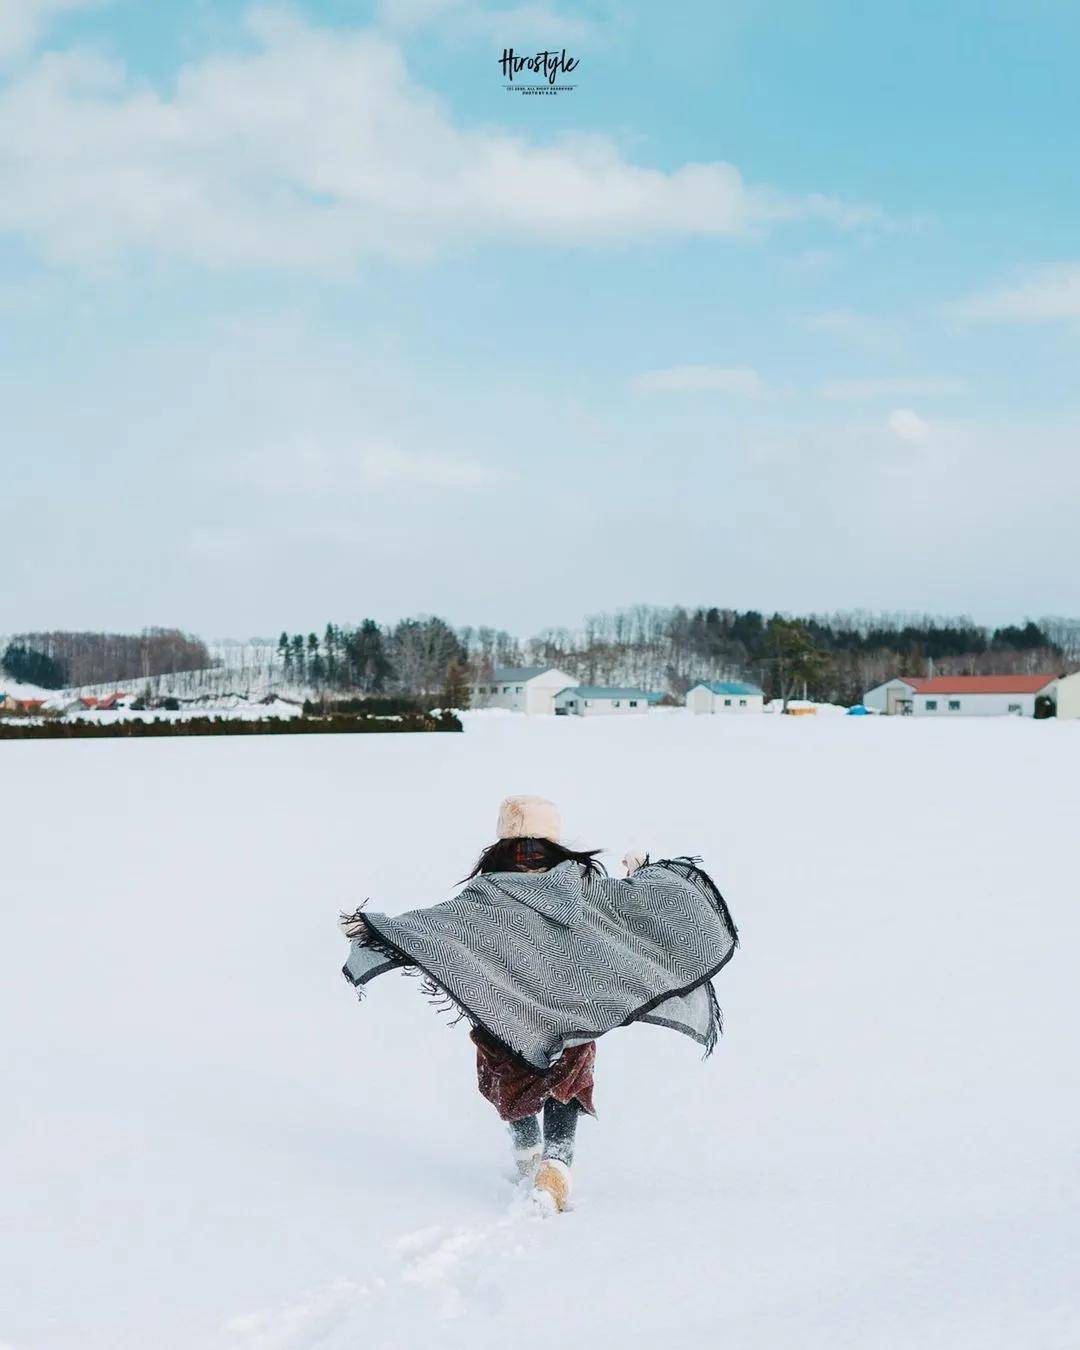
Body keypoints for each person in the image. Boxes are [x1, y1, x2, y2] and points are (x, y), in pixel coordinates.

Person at [340, 795, 738, 1214]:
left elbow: (434, 927)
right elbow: (633, 905)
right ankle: (549, 1161)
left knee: (517, 1081)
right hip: (560, 1013)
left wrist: (376, 930)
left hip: (513, 1015)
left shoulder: (494, 892)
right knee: (554, 1080)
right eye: (525, 850)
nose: (528, 858)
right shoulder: (570, 888)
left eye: (531, 850)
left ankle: (537, 1158)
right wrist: (644, 873)